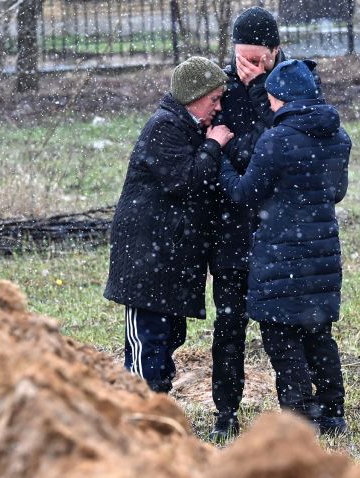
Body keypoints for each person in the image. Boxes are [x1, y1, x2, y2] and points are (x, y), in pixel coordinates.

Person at [218, 59, 351, 435]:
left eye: (272, 101)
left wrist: (223, 162)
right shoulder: (338, 137)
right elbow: (336, 192)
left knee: (281, 335)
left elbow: (245, 193)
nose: (271, 107)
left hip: (281, 253)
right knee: (319, 335)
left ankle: (299, 414)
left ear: (282, 98)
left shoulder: (275, 140)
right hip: (322, 253)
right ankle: (333, 414)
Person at [104, 56, 234, 393]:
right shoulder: (164, 126)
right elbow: (186, 182)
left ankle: (156, 402)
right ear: (193, 96)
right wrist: (213, 144)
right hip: (147, 258)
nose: (218, 108)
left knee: (169, 334)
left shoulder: (186, 125)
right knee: (148, 338)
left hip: (167, 256)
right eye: (214, 99)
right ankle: (141, 408)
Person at [207, 6, 299, 441]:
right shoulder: (221, 88)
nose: (249, 68)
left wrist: (261, 89)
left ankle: (296, 413)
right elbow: (223, 147)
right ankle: (226, 412)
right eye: (243, 58)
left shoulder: (292, 85)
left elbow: (274, 145)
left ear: (276, 52)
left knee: (283, 325)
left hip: (277, 230)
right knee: (228, 327)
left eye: (258, 60)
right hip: (231, 227)